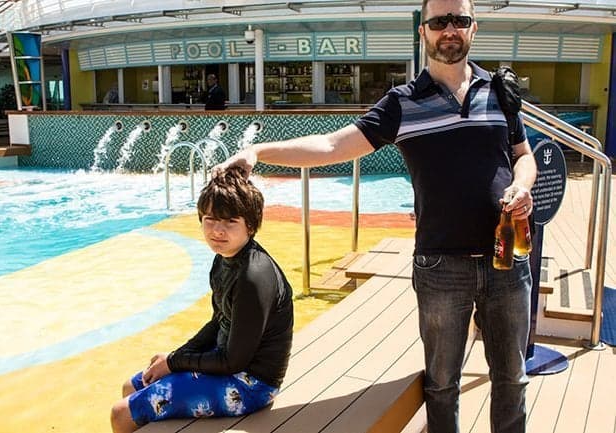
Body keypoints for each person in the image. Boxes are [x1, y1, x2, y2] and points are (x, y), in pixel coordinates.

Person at [214, 0, 537, 432]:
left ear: (473, 28)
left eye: (459, 20)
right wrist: (258, 151)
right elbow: (332, 147)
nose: (450, 29)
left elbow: (523, 156)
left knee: (512, 380)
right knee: (442, 385)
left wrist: (523, 186)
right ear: (423, 32)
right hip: (442, 267)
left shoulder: (498, 91)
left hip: (506, 261)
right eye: (440, 21)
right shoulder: (402, 104)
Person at [110, 167, 294, 433]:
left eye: (230, 221)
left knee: (121, 413)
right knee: (133, 386)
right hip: (228, 366)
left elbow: (234, 361)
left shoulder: (253, 276)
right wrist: (174, 358)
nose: (217, 230)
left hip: (251, 384)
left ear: (250, 226)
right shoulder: (224, 260)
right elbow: (219, 322)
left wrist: (174, 363)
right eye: (210, 219)